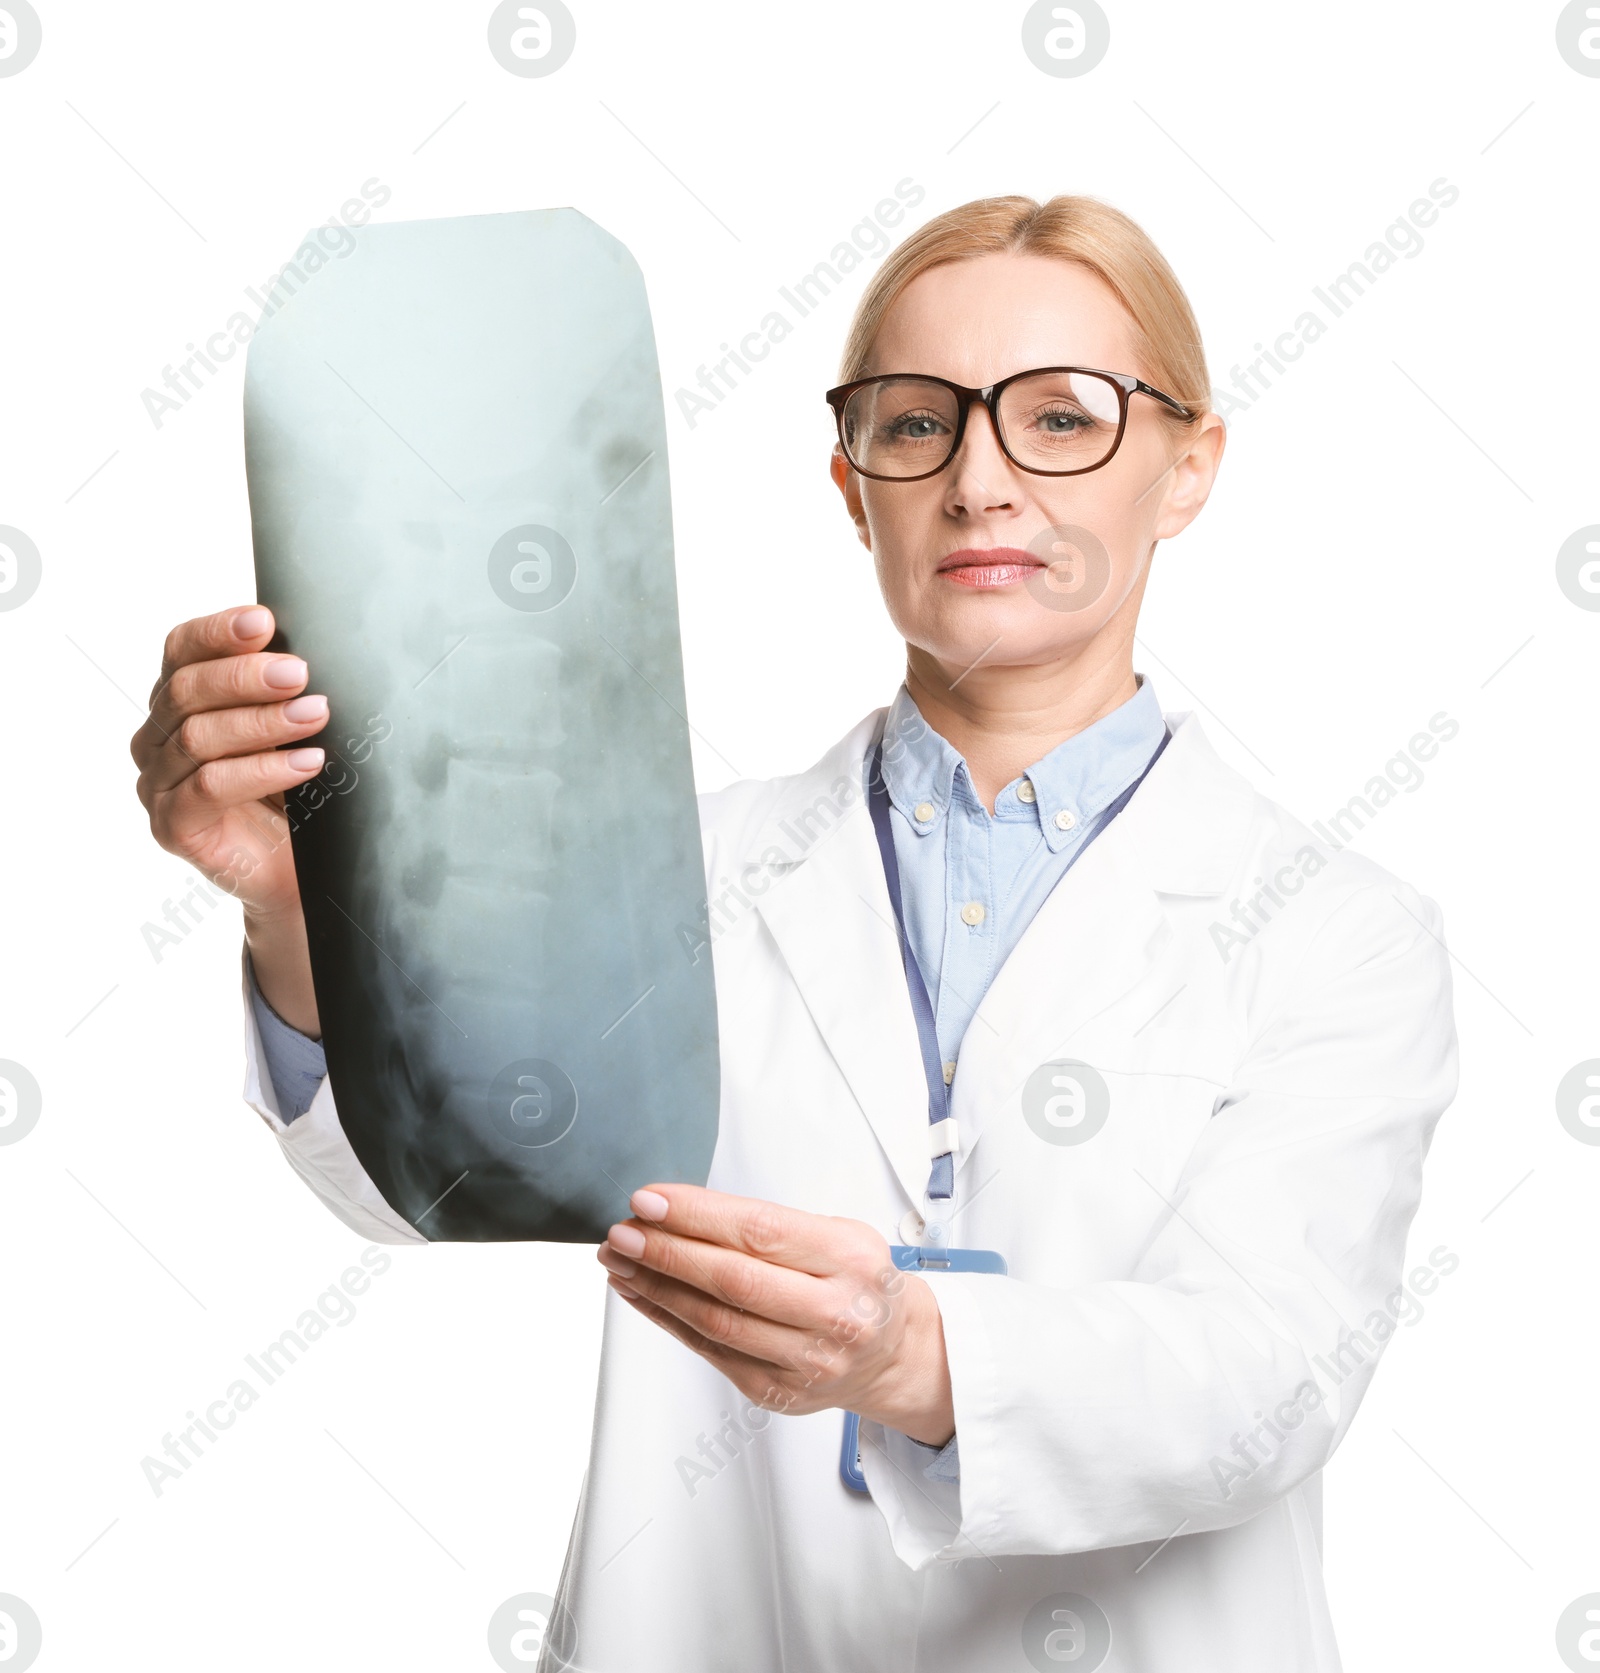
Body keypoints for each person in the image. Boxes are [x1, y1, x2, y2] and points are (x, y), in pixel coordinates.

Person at [131, 194, 1458, 1672]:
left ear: (1189, 464)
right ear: (850, 480)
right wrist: (292, 904)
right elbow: (440, 1172)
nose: (981, 481)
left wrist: (911, 1357)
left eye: (1062, 417)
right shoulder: (664, 871)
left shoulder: (1337, 936)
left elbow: (1264, 1378)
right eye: (915, 424)